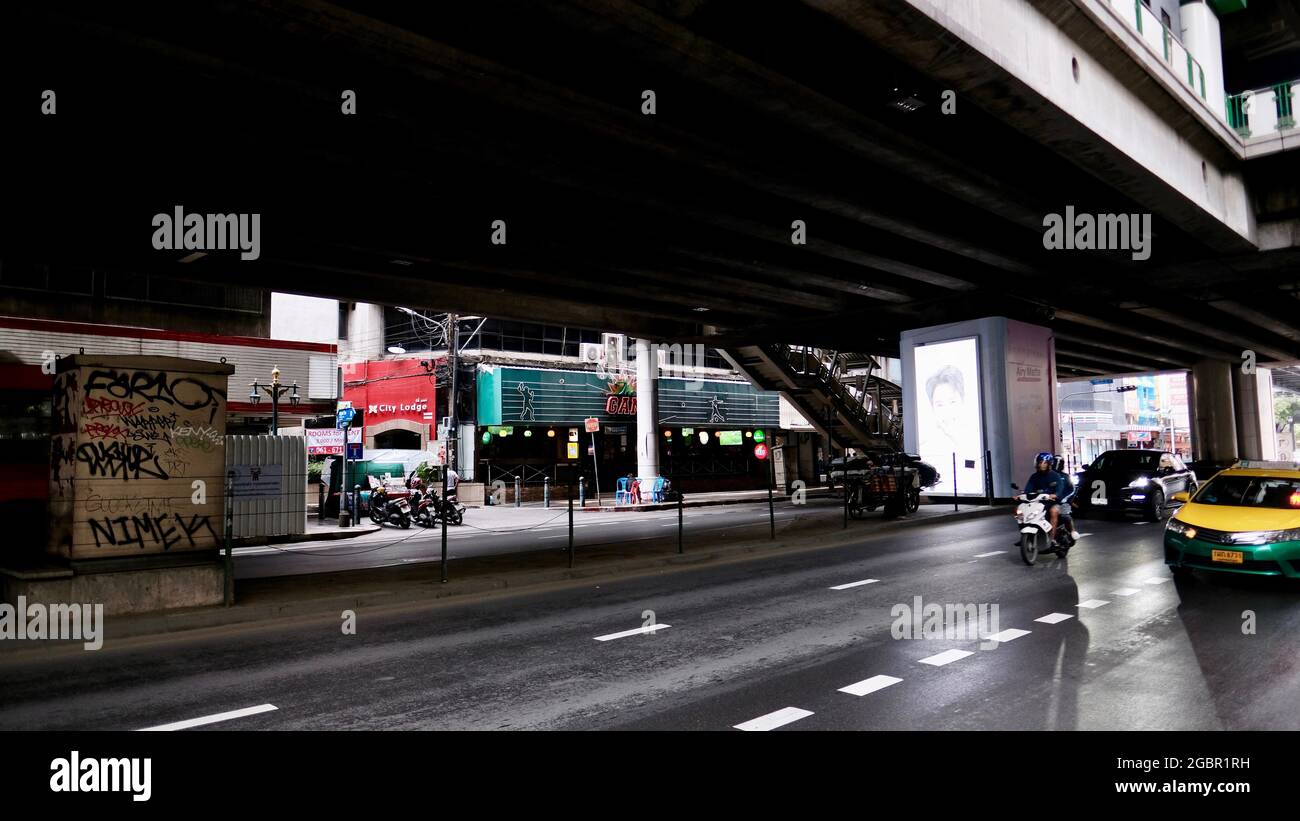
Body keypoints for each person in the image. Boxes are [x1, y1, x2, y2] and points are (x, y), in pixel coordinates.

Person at [1023, 451, 1069, 544]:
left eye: (1045, 463)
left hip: (1053, 502)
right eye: (1040, 463)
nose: (1042, 465)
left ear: (1049, 464)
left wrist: (1055, 495)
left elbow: (1060, 489)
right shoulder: (1034, 477)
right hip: (1039, 503)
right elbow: (1028, 489)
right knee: (1024, 511)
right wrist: (1022, 495)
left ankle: (1052, 538)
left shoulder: (1055, 476)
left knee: (1054, 511)